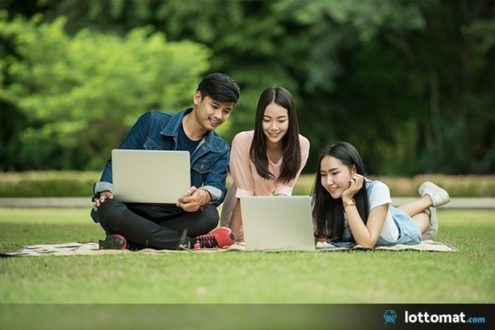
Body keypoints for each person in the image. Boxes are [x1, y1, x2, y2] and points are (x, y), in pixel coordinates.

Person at [91, 73, 240, 250]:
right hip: (131, 211)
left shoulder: (221, 148)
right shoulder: (152, 121)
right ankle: (191, 243)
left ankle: (129, 239)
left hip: (176, 216)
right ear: (197, 98)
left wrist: (204, 195)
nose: (219, 115)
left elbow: (216, 187)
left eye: (226, 111)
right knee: (107, 208)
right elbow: (116, 163)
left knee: (209, 216)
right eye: (214, 106)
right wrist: (106, 190)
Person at [312, 141, 450, 248]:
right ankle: (428, 198)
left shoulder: (377, 190)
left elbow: (366, 243)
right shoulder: (322, 196)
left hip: (398, 232)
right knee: (392, 213)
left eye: (335, 173)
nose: (328, 182)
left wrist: (347, 199)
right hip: (386, 216)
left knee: (418, 218)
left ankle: (428, 202)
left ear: (353, 170)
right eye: (323, 175)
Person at [220, 86, 310, 241]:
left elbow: (284, 191)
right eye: (267, 120)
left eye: (281, 120)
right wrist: (233, 237)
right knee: (244, 239)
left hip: (274, 210)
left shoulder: (301, 145)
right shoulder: (243, 141)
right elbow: (244, 193)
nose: (274, 127)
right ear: (259, 118)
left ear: (291, 119)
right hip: (241, 211)